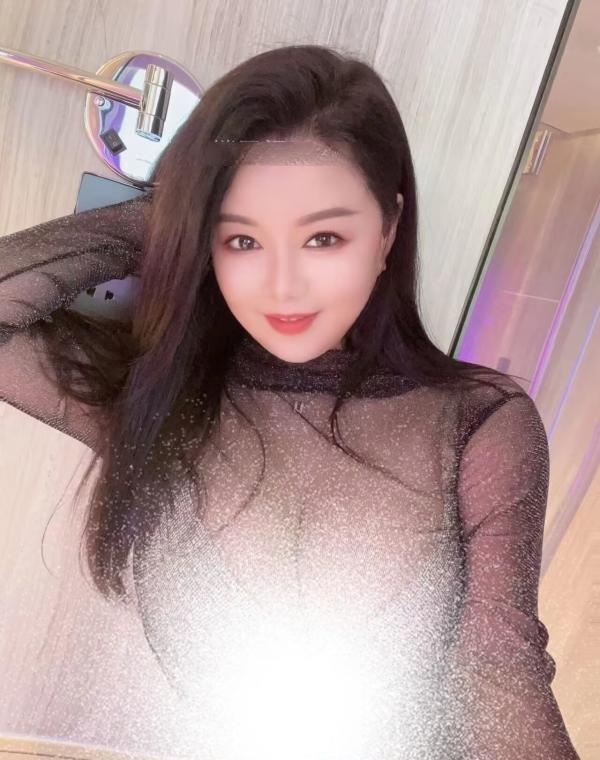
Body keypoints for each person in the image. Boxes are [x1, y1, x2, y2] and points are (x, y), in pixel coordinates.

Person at [0, 44, 580, 759]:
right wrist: (172, 213)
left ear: (388, 229)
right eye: (243, 240)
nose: (282, 287)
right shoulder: (158, 397)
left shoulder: (476, 422)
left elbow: (501, 677)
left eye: (322, 236)